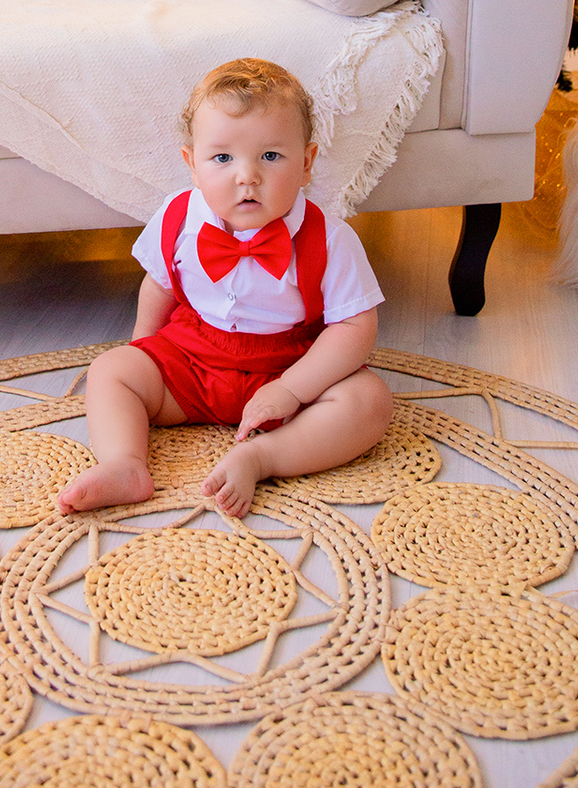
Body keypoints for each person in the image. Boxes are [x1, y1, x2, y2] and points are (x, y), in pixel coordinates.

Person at [57, 57, 392, 518]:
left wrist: (292, 391)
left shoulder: (330, 239)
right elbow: (159, 288)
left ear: (308, 162)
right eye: (222, 158)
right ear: (192, 165)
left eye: (271, 156)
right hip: (192, 360)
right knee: (111, 369)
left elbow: (355, 327)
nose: (247, 176)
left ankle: (263, 456)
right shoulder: (178, 218)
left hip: (288, 367)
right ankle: (125, 464)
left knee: (369, 402)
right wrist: (144, 354)